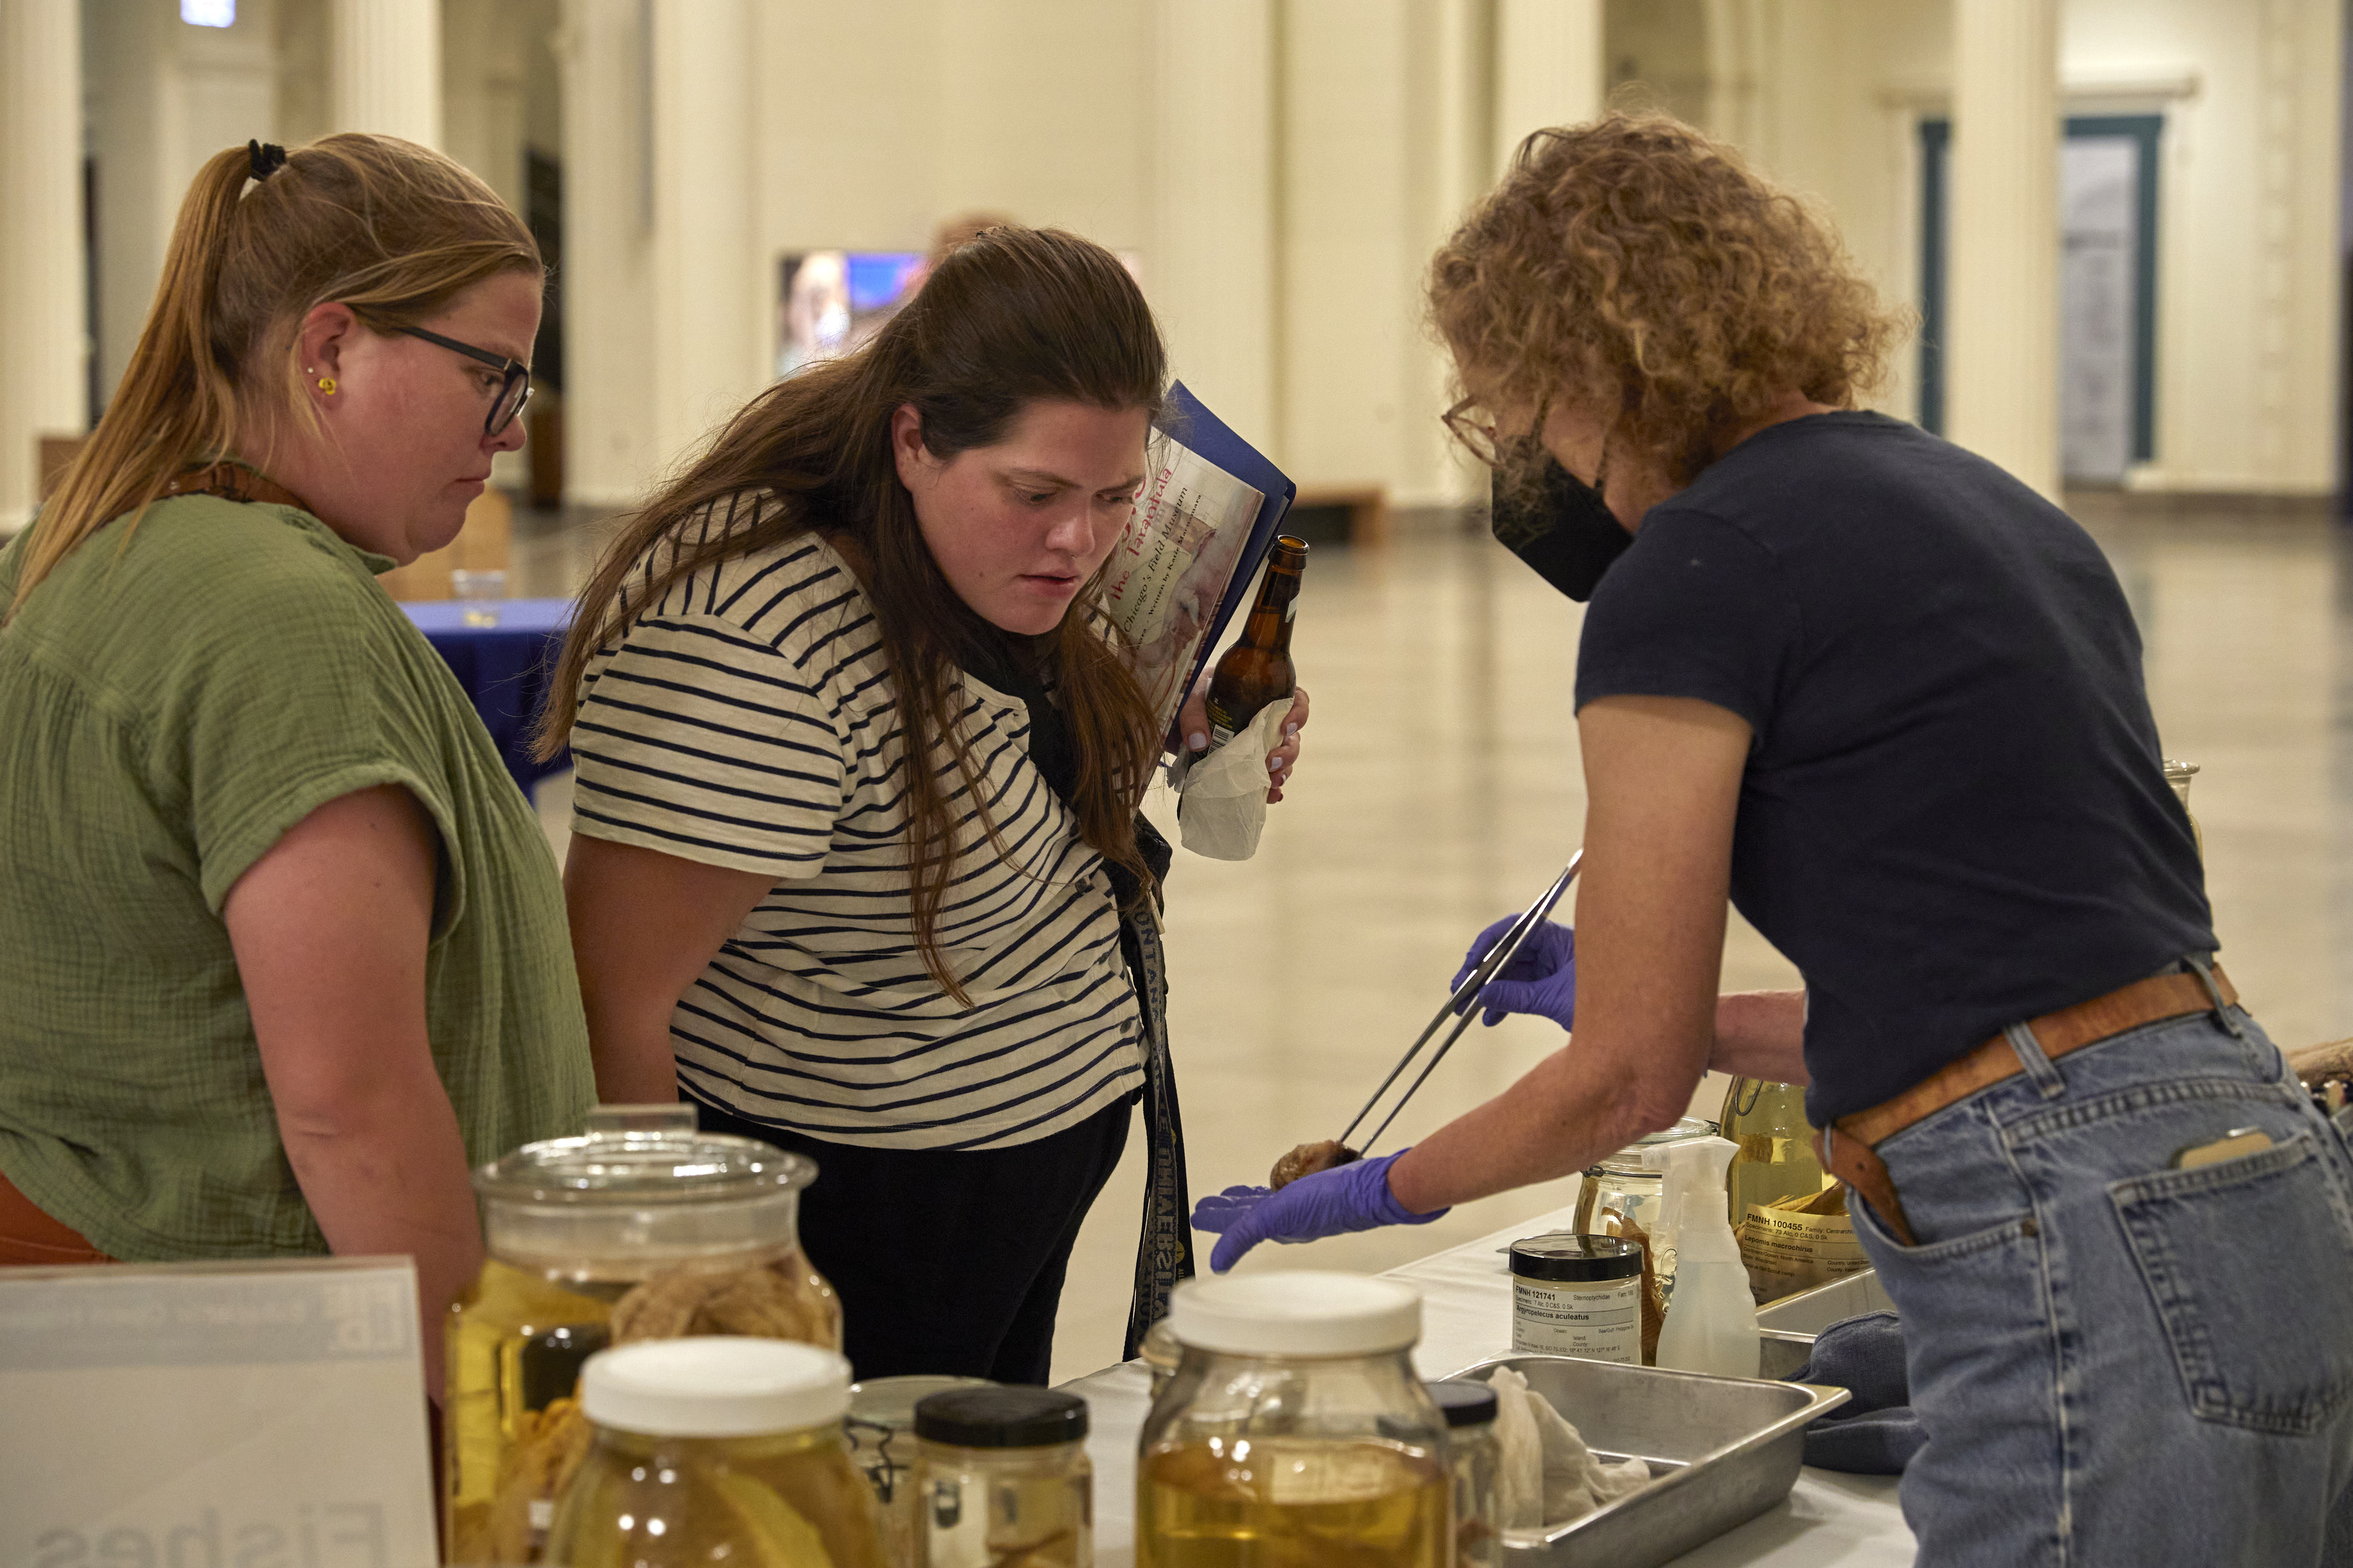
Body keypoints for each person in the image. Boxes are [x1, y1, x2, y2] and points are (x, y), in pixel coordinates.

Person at [1195, 114, 2353, 1564]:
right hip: (2255, 1178)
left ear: (1588, 367)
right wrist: (1656, 1001)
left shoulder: (1694, 566)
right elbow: (2013, 1002)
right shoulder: (1990, 505)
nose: (1527, 461)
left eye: (1513, 410)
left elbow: (1626, 1074)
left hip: (2073, 1226)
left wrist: (1371, 1188)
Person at [539, 224, 1306, 1384]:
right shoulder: (757, 632)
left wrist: (1174, 719)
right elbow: (611, 992)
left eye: (1116, 498)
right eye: (1036, 492)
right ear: (912, 440)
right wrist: (687, 1289)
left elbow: (990, 754)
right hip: (856, 1209)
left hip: (1018, 1166)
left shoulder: (993, 558)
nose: (1080, 540)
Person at [0, 135, 597, 1399]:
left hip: (124, 1320)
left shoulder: (77, 543)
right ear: (328, 348)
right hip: (266, 1359)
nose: (507, 431)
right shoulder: (277, 614)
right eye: (493, 377)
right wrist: (489, 1407)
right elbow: (351, 1107)